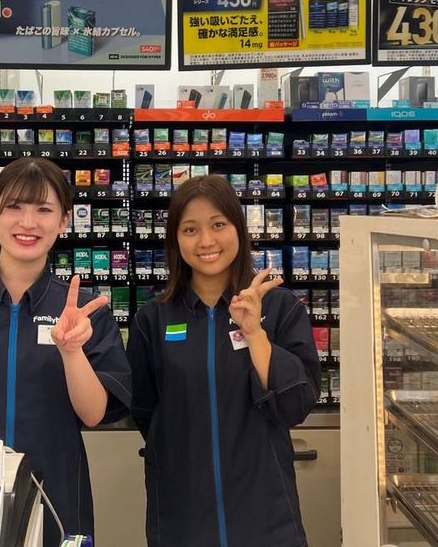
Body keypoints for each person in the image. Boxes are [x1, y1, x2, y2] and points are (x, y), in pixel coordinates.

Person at [0, 157, 131, 546]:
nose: (28, 222)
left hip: (56, 495)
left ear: (64, 221)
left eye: (44, 210)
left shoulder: (85, 313)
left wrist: (72, 351)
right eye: (15, 207)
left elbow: (94, 414)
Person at [127, 174, 321, 547]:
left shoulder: (280, 308)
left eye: (218, 225)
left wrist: (255, 333)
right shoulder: (152, 320)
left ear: (238, 229)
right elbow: (146, 412)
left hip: (265, 513)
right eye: (190, 229)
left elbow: (296, 405)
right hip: (182, 514)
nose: (206, 241)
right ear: (175, 239)